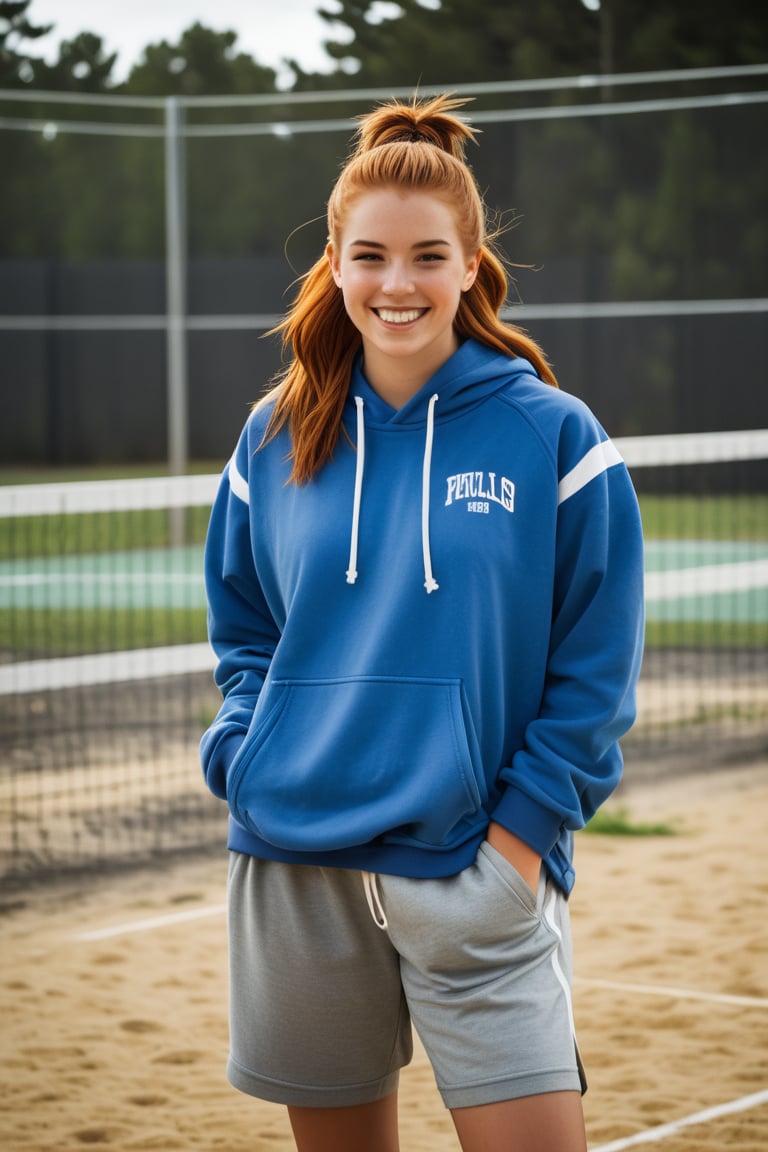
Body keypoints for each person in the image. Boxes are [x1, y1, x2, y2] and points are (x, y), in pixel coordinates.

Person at [200, 93, 645, 1152]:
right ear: (337, 266)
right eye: (370, 256)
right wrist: (243, 750)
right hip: (295, 861)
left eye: (426, 257)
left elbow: (598, 664)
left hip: (474, 870)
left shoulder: (554, 436)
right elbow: (244, 626)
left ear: (471, 267)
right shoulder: (273, 437)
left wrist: (522, 840)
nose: (397, 285)